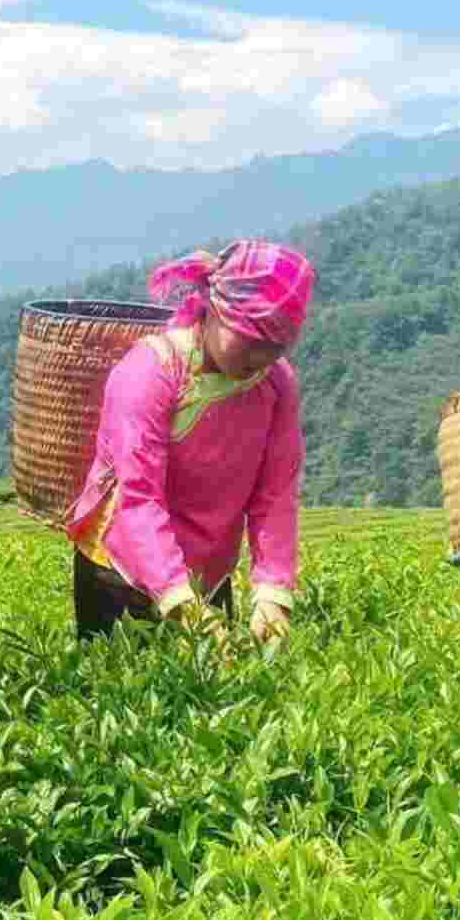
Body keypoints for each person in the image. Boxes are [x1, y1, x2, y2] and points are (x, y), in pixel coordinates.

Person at [65, 241, 313, 648]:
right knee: (123, 690)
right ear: (216, 311)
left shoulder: (276, 381)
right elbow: (139, 497)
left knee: (215, 693)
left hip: (209, 565)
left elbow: (276, 493)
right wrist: (180, 600)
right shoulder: (151, 372)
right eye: (250, 339)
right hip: (122, 567)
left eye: (275, 347)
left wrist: (273, 590)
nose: (260, 357)